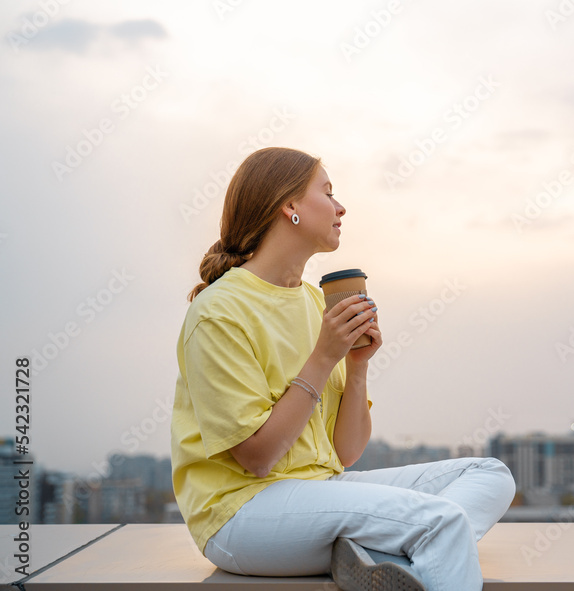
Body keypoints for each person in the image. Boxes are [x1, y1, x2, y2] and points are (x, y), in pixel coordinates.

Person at [170, 146, 516, 590]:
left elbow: (346, 453)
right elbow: (256, 459)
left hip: (320, 492)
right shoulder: (219, 312)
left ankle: (381, 560)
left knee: (489, 474)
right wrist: (323, 357)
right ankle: (396, 552)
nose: (341, 206)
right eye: (328, 192)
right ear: (289, 207)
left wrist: (355, 366)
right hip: (241, 513)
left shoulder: (316, 303)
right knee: (442, 523)